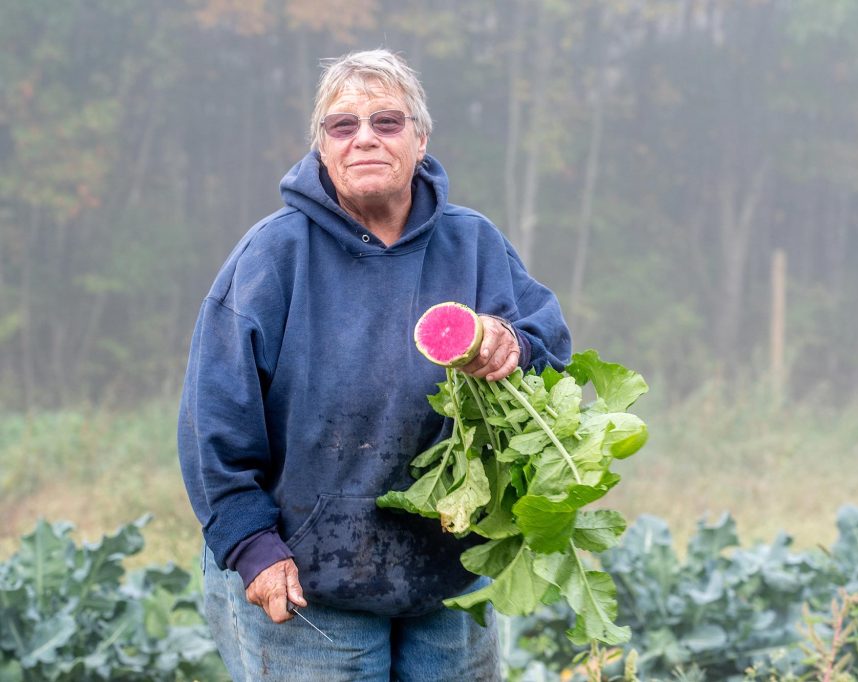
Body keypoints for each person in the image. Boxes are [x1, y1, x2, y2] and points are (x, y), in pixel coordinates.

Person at [177, 49, 571, 681]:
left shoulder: (475, 243)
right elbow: (212, 423)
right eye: (343, 126)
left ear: (420, 140)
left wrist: (511, 345)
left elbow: (551, 352)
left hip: (448, 577)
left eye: (387, 122)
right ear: (321, 149)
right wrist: (251, 543)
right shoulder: (271, 256)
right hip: (306, 578)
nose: (364, 138)